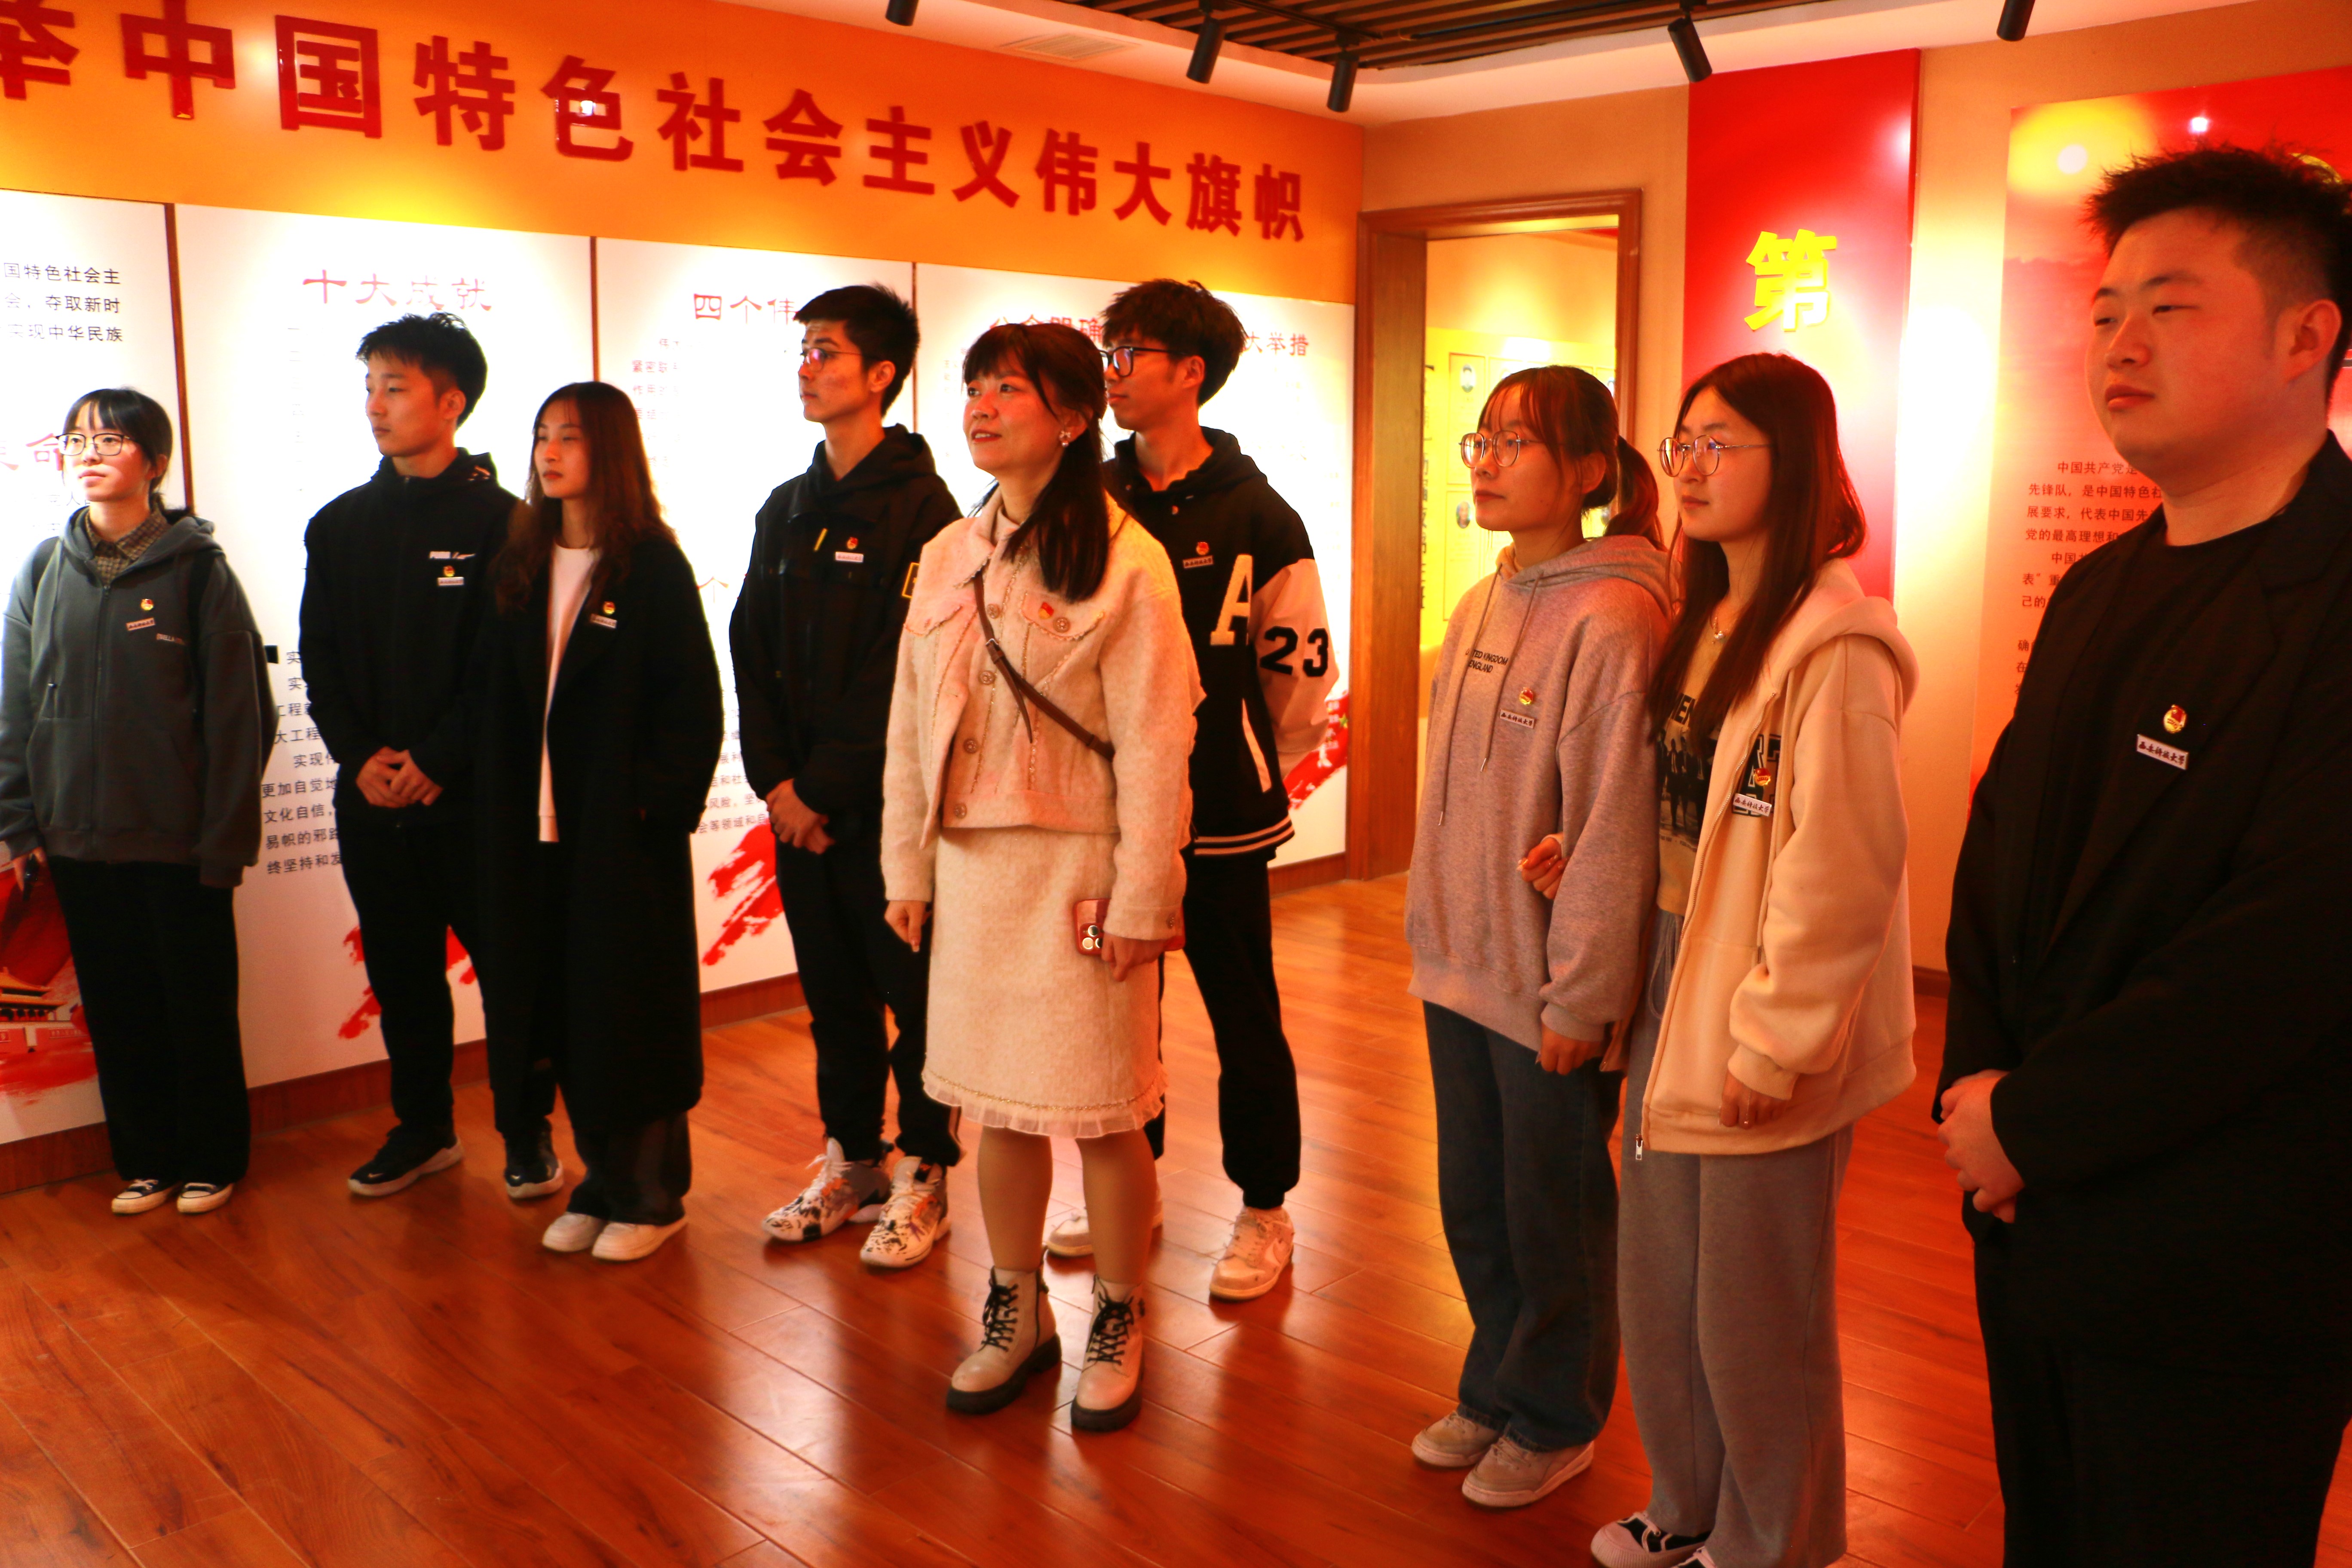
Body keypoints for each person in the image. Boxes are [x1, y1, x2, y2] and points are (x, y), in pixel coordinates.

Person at [1939, 145, 2352, 1567]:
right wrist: (1979, 1099)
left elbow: (2292, 945)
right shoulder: (2102, 583)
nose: (2118, 344)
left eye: (2169, 308)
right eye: (2106, 310)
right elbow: (1999, 858)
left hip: (2223, 1256)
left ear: (2306, 337)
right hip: (2033, 1216)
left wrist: (2032, 1122)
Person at [1575, 353, 1914, 1568]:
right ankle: (1688, 1506)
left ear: (1799, 459)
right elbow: (1689, 809)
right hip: (1674, 972)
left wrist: (1776, 1040)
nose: (1691, 467)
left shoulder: (1838, 646)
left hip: (1762, 991)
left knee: (1757, 1305)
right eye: (1684, 443)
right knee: (1664, 1279)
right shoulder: (1704, 613)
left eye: (1720, 443)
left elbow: (1844, 869)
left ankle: (1777, 1543)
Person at [880, 322, 1198, 1431]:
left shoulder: (1128, 558)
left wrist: (1147, 896)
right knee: (994, 1107)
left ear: (1070, 418)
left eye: (1008, 388)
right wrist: (907, 867)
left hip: (1084, 875)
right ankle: (1015, 1310)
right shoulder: (949, 552)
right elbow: (910, 726)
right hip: (974, 872)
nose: (981, 405)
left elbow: (1158, 743)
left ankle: (1119, 1309)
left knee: (1107, 1110)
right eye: (975, 386)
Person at [1403, 365, 1666, 1508]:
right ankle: (1497, 1386)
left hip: (1546, 980)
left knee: (1552, 1210)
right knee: (1475, 1201)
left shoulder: (1616, 616)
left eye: (1519, 443)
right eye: (1484, 439)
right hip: (1460, 963)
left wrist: (1584, 995)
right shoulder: (1482, 599)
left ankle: (1557, 1417)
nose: (1489, 461)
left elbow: (1614, 825)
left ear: (1591, 470)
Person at [1065, 278, 1334, 1302]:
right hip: (1104, 811)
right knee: (1118, 1012)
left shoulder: (1260, 511)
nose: (1112, 372)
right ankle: (1129, 1189)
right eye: (1109, 351)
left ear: (1191, 372)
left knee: (1243, 1011)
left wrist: (1244, 753)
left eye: (1129, 353)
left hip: (1221, 812)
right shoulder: (1089, 495)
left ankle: (1266, 1206)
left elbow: (1298, 671)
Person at [732, 285, 965, 1269]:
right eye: (805, 352)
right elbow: (750, 648)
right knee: (833, 999)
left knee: (914, 998)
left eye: (826, 352)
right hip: (801, 812)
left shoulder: (927, 511)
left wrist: (821, 789)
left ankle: (926, 1171)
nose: (808, 368)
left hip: (886, 813)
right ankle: (852, 1161)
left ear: (881, 375)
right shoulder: (786, 507)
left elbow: (905, 669)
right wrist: (777, 784)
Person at [0, 389, 275, 1216]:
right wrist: (20, 823)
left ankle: (213, 1160)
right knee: (119, 1009)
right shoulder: (45, 569)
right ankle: (147, 1160)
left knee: (196, 1006)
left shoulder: (199, 571)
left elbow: (241, 718)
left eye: (111, 440)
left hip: (179, 841)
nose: (89, 453)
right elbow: (15, 706)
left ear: (155, 463)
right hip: (76, 841)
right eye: (77, 440)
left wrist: (224, 840)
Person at [303, 312, 558, 1203]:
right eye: (370, 386)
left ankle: (526, 1131)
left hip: (475, 799)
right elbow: (320, 656)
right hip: (373, 798)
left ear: (451, 403)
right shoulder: (339, 524)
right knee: (401, 973)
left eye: (396, 387)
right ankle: (423, 1130)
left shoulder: (509, 523)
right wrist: (360, 756)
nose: (376, 405)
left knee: (512, 972)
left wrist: (440, 759)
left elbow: (508, 670)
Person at [471, 383, 723, 1264]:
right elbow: (493, 696)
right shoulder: (522, 559)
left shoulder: (649, 565)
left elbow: (693, 705)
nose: (549, 452)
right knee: (561, 1011)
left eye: (570, 437)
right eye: (542, 436)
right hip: (531, 835)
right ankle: (600, 1183)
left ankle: (652, 1196)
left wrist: (652, 807)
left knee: (632, 1013)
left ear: (608, 449)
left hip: (620, 836)